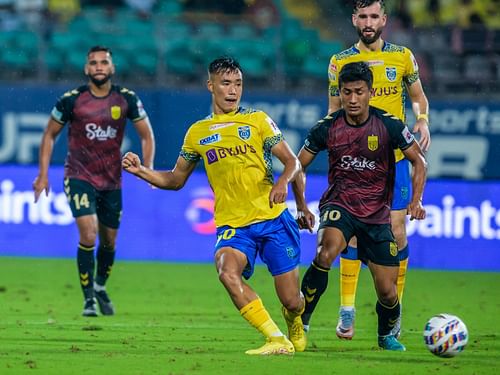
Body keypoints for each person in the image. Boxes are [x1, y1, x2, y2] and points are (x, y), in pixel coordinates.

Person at [121, 56, 306, 355]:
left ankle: (293, 318)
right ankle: (275, 338)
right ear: (211, 86)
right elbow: (175, 179)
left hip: (272, 219)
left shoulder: (257, 120)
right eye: (226, 84)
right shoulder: (198, 133)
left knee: (292, 300)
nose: (233, 91)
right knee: (225, 270)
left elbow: (293, 161)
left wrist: (283, 182)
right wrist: (141, 171)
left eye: (238, 84)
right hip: (233, 225)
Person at [312, 0, 431, 340]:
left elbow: (419, 96)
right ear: (354, 19)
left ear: (384, 20)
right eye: (362, 16)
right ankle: (346, 310)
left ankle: (393, 315)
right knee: (348, 233)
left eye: (373, 16)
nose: (368, 22)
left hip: (391, 162)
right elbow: (333, 108)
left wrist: (422, 121)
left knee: (397, 233)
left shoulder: (402, 57)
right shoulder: (340, 62)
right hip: (354, 162)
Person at [293, 61, 427, 351]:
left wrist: (416, 201)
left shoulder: (389, 125)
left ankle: (385, 335)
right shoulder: (326, 128)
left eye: (359, 92)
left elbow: (419, 161)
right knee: (325, 252)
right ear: (339, 92)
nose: (352, 99)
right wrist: (302, 206)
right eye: (347, 92)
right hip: (339, 204)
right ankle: (300, 323)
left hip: (377, 215)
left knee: (388, 292)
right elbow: (296, 165)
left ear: (370, 92)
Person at [33, 45, 156, 317]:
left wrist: (147, 170)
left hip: (112, 180)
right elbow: (49, 135)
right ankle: (88, 300)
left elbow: (147, 135)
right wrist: (42, 174)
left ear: (111, 68)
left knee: (109, 242)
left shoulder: (126, 99)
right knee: (88, 234)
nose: (99, 66)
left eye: (104, 62)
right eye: (94, 62)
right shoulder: (71, 100)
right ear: (86, 69)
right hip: (79, 175)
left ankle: (100, 286)